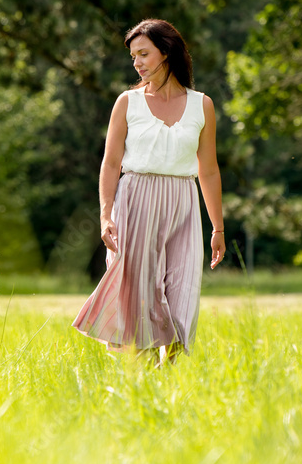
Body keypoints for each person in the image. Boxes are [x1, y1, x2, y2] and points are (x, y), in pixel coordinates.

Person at [73, 18, 225, 365]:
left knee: (182, 288)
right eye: (133, 57)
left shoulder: (202, 105)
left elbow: (209, 169)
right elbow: (111, 164)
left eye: (143, 54)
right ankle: (139, 374)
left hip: (183, 202)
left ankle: (168, 369)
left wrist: (217, 227)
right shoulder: (128, 102)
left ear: (166, 52)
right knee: (139, 290)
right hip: (136, 198)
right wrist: (105, 215)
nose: (137, 63)